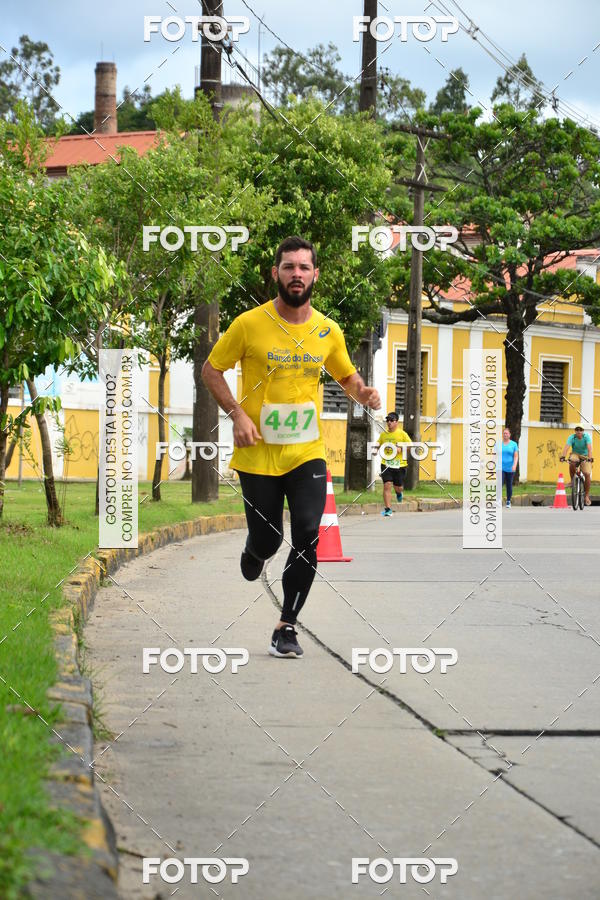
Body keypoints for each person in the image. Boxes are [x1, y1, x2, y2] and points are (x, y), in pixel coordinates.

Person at [201, 236, 381, 658]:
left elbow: (346, 377)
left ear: (315, 274)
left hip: (306, 452)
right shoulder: (248, 324)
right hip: (258, 453)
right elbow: (212, 370)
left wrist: (363, 393)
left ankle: (286, 626)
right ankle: (255, 550)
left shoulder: (327, 330)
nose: (296, 274)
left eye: (303, 267)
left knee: (306, 531)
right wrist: (238, 415)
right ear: (275, 274)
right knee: (268, 538)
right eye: (288, 267)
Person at [377, 412, 411, 516]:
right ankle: (388, 509)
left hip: (399, 465)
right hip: (386, 464)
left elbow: (410, 446)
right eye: (387, 420)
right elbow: (378, 444)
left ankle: (399, 493)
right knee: (387, 485)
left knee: (398, 487)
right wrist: (375, 448)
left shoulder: (402, 434)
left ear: (397, 422)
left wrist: (401, 448)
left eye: (391, 420)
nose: (389, 422)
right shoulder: (383, 435)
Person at [560, 426, 594, 506]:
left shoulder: (586, 437)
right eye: (577, 430)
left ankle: (586, 496)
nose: (579, 431)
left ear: (583, 431)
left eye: (581, 430)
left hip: (585, 456)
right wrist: (563, 456)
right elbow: (566, 447)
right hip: (575, 454)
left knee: (587, 474)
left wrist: (590, 458)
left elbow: (589, 449)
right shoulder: (572, 437)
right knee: (571, 461)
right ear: (575, 431)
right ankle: (572, 481)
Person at [501, 428, 519, 508]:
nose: (505, 435)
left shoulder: (514, 444)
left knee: (509, 485)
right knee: (499, 484)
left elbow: (515, 456)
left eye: (507, 433)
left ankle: (508, 501)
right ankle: (498, 501)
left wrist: (514, 465)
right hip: (500, 467)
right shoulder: (498, 444)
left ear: (509, 435)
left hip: (510, 468)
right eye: (504, 433)